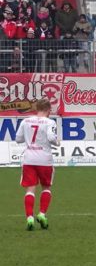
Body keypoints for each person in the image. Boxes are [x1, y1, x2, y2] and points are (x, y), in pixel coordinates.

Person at [15, 99, 60, 231]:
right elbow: (51, 138)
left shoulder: (25, 121)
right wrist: (57, 142)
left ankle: (29, 217)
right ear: (48, 110)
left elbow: (18, 139)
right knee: (46, 188)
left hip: (29, 159)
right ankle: (41, 214)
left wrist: (29, 138)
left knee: (30, 189)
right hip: (44, 160)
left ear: (36, 108)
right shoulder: (50, 122)